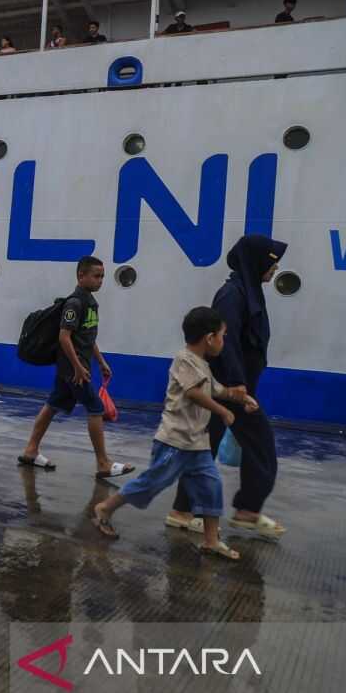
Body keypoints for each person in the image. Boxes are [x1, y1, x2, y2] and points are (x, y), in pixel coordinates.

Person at [91, 306, 259, 560]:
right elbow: (194, 393)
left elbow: (216, 389)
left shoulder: (202, 364)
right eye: (222, 336)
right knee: (152, 482)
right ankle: (105, 508)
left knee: (212, 486)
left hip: (197, 444)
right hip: (175, 442)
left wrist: (241, 397)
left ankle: (211, 541)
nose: (224, 342)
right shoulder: (184, 360)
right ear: (209, 338)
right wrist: (223, 411)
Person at [166, 235, 289, 539]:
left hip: (235, 386)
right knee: (261, 443)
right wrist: (237, 386)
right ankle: (246, 510)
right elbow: (226, 343)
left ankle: (184, 511)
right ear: (256, 262)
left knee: (205, 447)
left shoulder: (246, 292)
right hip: (229, 388)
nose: (275, 269)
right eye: (272, 263)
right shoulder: (232, 295)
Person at [18, 256, 135, 478]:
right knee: (95, 407)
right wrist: (78, 367)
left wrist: (101, 361)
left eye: (102, 276)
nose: (100, 280)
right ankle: (103, 463)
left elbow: (87, 337)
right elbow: (64, 337)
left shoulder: (90, 302)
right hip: (74, 369)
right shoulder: (75, 303)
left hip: (74, 366)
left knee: (53, 404)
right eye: (96, 276)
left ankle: (31, 450)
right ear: (81, 276)